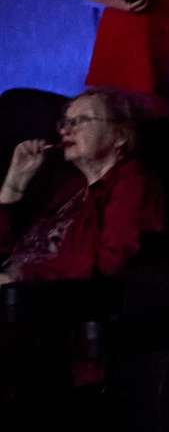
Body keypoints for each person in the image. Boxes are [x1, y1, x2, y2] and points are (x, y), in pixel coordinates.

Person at [0, 90, 160, 286]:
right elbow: (11, 249)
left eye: (81, 120)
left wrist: (20, 278)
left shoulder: (132, 185)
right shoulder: (69, 186)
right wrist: (13, 183)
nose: (65, 131)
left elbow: (110, 263)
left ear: (120, 134)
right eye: (65, 123)